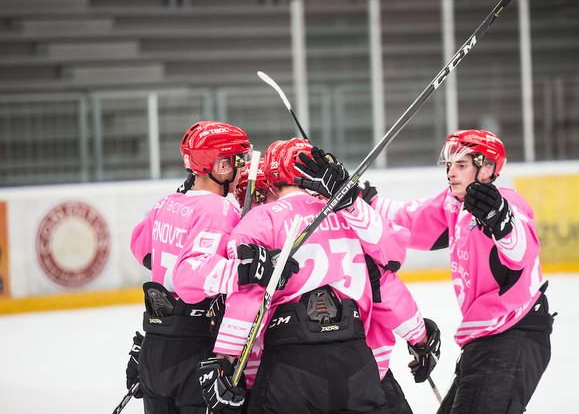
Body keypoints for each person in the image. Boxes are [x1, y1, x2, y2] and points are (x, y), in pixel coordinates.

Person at [192, 138, 427, 414]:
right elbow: (389, 268)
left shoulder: (261, 219)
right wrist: (419, 336)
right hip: (355, 360)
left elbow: (248, 293)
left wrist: (226, 359)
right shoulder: (348, 216)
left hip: (289, 362)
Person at [370, 130, 555, 414]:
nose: (451, 172)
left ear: (488, 168)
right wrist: (360, 201)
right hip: (486, 339)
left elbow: (521, 252)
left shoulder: (506, 203)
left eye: (461, 165)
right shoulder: (454, 206)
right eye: (448, 165)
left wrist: (501, 221)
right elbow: (410, 218)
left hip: (513, 334)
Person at [127, 121, 296, 414]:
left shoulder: (167, 202)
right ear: (219, 166)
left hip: (156, 346)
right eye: (238, 160)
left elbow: (141, 248)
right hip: (197, 348)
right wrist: (247, 269)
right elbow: (190, 276)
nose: (243, 168)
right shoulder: (220, 209)